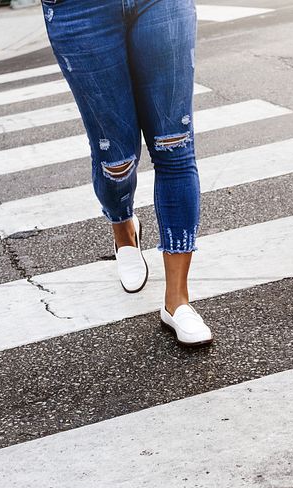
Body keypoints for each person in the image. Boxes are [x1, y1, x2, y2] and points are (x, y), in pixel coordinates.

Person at [40, 0, 212, 346]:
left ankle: (176, 302)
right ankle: (123, 227)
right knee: (116, 160)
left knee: (173, 144)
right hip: (79, 10)